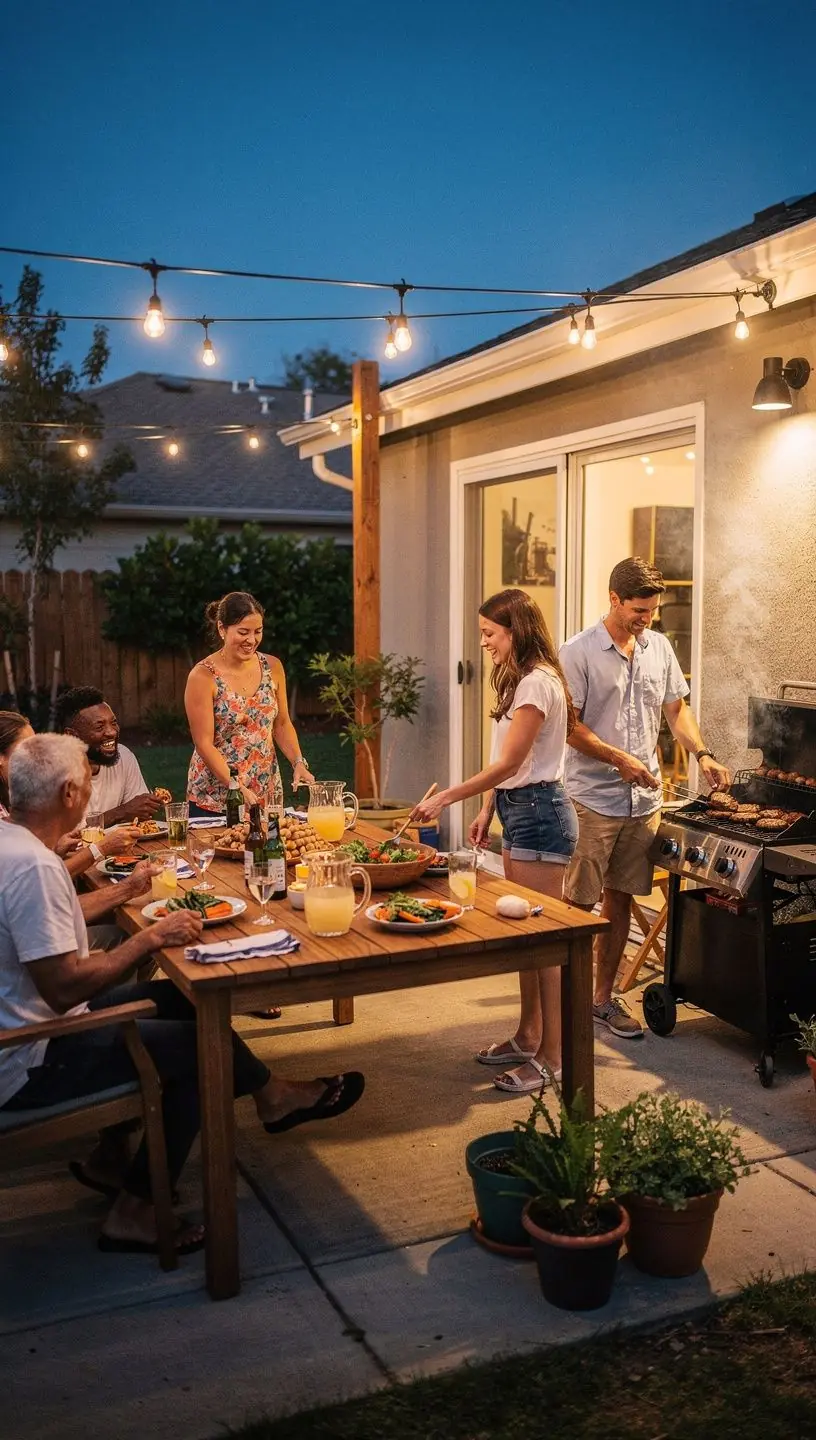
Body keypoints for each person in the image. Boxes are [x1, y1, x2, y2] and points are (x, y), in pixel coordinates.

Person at [0, 734, 365, 1256]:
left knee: (182, 1001)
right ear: (66, 795)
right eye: (86, 779)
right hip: (31, 1058)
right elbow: (63, 989)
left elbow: (46, 925)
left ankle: (267, 1097)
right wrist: (150, 938)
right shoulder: (34, 866)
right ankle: (138, 1210)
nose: (91, 787)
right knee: (202, 1052)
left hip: (25, 1033)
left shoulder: (12, 843)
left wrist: (127, 891)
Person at [413, 588, 578, 1094]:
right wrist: (486, 808)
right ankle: (529, 1035)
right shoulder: (520, 680)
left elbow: (510, 765)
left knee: (545, 943)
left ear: (516, 631)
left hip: (539, 813)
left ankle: (553, 1056)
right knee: (526, 939)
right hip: (516, 809)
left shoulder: (538, 685)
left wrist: (447, 799)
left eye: (490, 633)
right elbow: (507, 763)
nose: (483, 642)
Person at [560, 556, 731, 1040]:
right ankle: (563, 1002)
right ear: (613, 599)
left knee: (619, 900)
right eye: (638, 610)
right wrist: (619, 760)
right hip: (592, 800)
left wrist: (703, 754)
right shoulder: (577, 652)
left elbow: (675, 709)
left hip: (643, 803)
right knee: (576, 904)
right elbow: (569, 727)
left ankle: (601, 999)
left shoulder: (659, 647)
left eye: (651, 611)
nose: (646, 619)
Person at [185, 590, 315, 815]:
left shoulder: (272, 667)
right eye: (243, 632)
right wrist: (235, 787)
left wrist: (298, 762)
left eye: (258, 632)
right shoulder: (203, 676)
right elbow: (203, 744)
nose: (251, 640)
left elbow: (282, 724)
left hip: (265, 794)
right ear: (221, 629)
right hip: (216, 798)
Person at [55, 687, 162, 825]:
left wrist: (144, 808)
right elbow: (64, 840)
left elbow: (140, 820)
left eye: (114, 723)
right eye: (99, 727)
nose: (111, 732)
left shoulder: (124, 757)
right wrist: (121, 813)